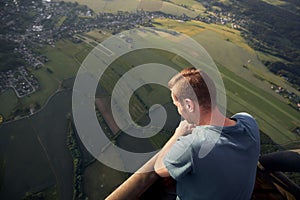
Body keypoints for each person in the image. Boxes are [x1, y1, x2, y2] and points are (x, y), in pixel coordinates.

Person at [154, 67, 260, 200]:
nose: (179, 111)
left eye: (177, 105)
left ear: (188, 105)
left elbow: (159, 168)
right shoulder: (249, 123)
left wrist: (178, 134)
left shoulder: (193, 145)